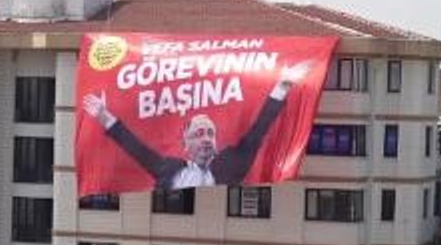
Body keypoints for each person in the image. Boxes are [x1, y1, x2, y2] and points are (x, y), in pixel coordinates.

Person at [81, 61, 314, 191]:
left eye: (210, 133)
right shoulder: (170, 169)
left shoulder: (231, 162)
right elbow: (136, 149)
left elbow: (257, 132)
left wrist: (281, 87)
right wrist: (104, 116)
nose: (205, 138)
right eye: (199, 133)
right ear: (186, 143)